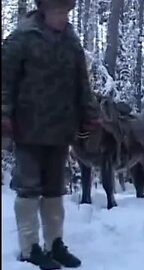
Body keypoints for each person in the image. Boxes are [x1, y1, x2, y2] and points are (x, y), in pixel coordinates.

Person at [1, 0, 100, 269]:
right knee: (29, 187)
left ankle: (54, 243)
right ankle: (29, 247)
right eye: (58, 12)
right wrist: (4, 115)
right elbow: (5, 82)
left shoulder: (71, 41)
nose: (62, 17)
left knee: (55, 189)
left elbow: (83, 83)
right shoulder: (21, 38)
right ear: (44, 10)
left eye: (66, 12)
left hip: (60, 129)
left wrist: (90, 114)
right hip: (28, 128)